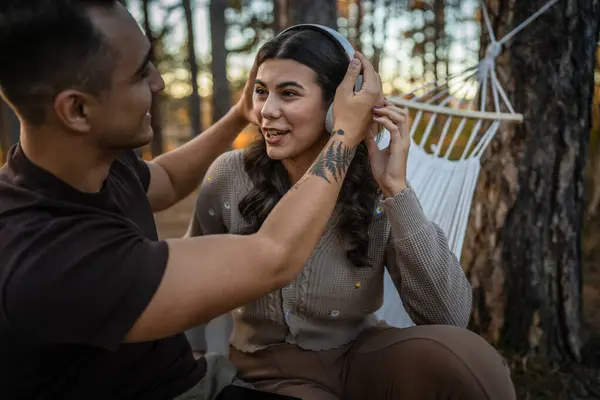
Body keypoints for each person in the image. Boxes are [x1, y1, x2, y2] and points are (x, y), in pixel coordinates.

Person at [0, 1, 383, 399]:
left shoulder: (85, 164)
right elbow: (274, 255)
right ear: (77, 109)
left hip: (186, 377)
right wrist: (343, 136)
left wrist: (239, 114)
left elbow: (164, 178)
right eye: (138, 73)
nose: (159, 82)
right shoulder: (48, 260)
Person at [185, 26, 517, 399]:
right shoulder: (231, 175)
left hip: (361, 354)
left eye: (289, 93)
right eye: (261, 92)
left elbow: (449, 316)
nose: (267, 111)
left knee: (472, 364)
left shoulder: (377, 180)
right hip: (266, 371)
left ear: (337, 106)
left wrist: (397, 190)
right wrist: (195, 359)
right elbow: (189, 282)